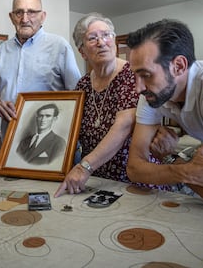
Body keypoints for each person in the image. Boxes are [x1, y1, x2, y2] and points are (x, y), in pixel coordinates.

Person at [55, 13, 173, 197]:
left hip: (135, 178)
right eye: (92, 38)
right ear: (82, 51)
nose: (101, 42)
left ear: (115, 41)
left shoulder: (132, 75)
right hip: (97, 179)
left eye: (106, 35)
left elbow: (124, 125)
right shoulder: (83, 84)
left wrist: (84, 166)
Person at [126, 19, 203, 210]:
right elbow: (134, 168)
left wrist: (173, 161)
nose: (138, 88)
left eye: (145, 74)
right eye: (135, 75)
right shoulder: (151, 93)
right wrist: (185, 170)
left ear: (178, 66)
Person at [0, 0, 81, 138]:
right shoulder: (2, 50)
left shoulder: (59, 46)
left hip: (50, 137)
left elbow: (77, 94)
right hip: (9, 137)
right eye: (19, 12)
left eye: (31, 12)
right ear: (11, 17)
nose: (25, 19)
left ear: (42, 16)